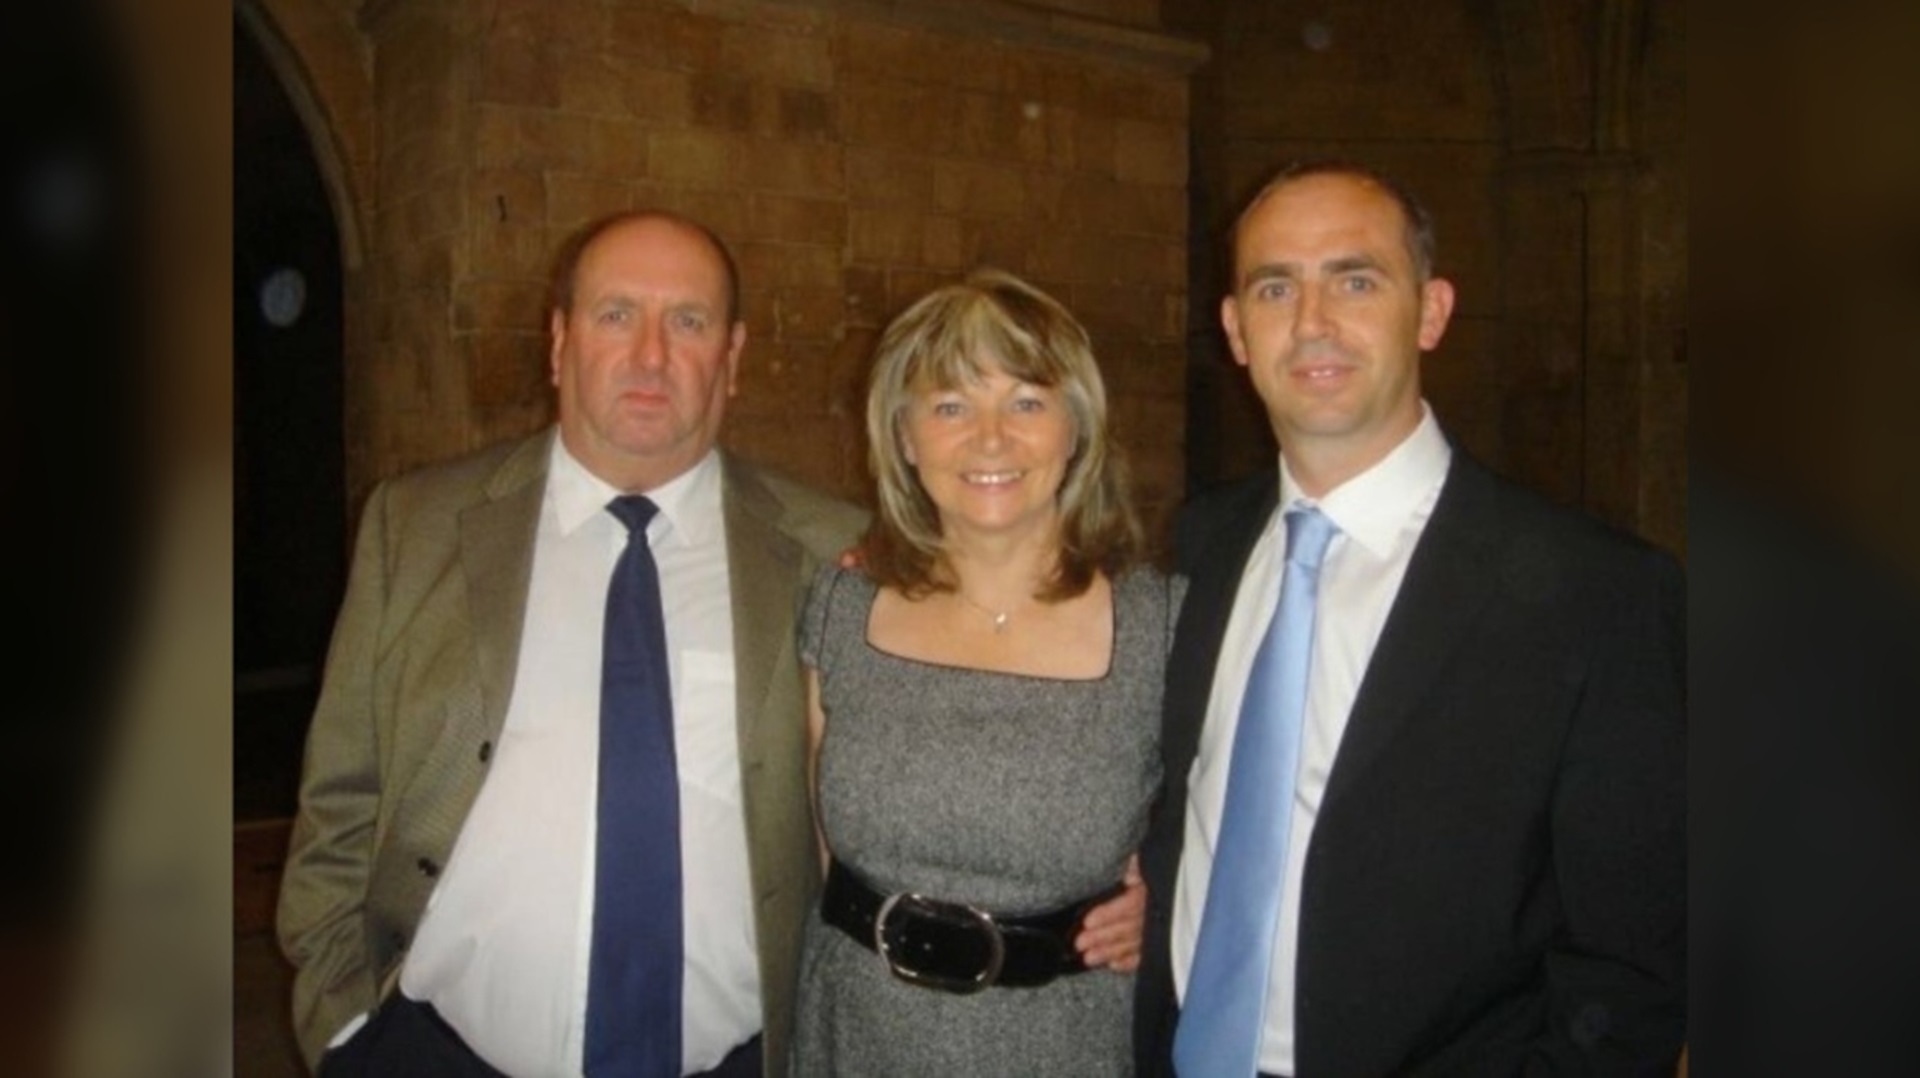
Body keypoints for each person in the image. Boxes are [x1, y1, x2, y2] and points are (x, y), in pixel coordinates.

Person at [276, 210, 1140, 1078]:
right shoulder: (416, 527)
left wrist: (1137, 880)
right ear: (559, 340)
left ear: (730, 359)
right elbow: (341, 801)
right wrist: (348, 1031)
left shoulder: (835, 559)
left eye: (687, 322)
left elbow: (980, 728)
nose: (650, 355)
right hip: (438, 1054)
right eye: (617, 315)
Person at [1133, 163, 1686, 1076]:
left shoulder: (1600, 597)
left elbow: (1633, 970)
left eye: (1355, 279)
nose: (1313, 321)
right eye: (1276, 287)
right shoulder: (1203, 543)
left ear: (1430, 310)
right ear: (1236, 332)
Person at [790, 268, 1183, 1076]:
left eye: (1027, 402)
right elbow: (817, 851)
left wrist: (1173, 908)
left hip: (1065, 1046)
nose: (991, 437)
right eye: (950, 405)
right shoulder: (839, 608)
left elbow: (1235, 841)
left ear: (1077, 427)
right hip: (860, 1035)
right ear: (904, 437)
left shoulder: (1165, 628)